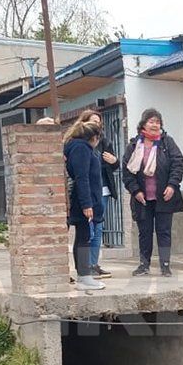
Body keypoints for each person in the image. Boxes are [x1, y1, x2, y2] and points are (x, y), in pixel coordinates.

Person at [122, 108, 183, 277]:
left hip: (164, 196)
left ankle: (165, 265)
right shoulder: (134, 145)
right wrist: (135, 191)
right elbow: (127, 172)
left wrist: (172, 185)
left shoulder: (167, 143)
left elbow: (178, 164)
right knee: (145, 232)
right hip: (142, 198)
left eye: (157, 122)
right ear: (143, 124)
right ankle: (144, 264)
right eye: (151, 121)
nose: (155, 125)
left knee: (164, 232)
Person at [63, 120, 106, 291]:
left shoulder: (77, 147)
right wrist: (87, 204)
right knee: (84, 237)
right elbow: (82, 178)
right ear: (94, 137)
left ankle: (84, 275)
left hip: (86, 199)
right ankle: (84, 276)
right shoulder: (81, 149)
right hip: (84, 201)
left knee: (84, 236)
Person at [77, 109, 119, 279]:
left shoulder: (104, 141)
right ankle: (85, 266)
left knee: (98, 228)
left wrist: (114, 162)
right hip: (88, 191)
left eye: (98, 122)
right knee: (88, 229)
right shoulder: (79, 143)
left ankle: (94, 264)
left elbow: (113, 166)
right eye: (93, 121)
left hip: (103, 189)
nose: (97, 124)